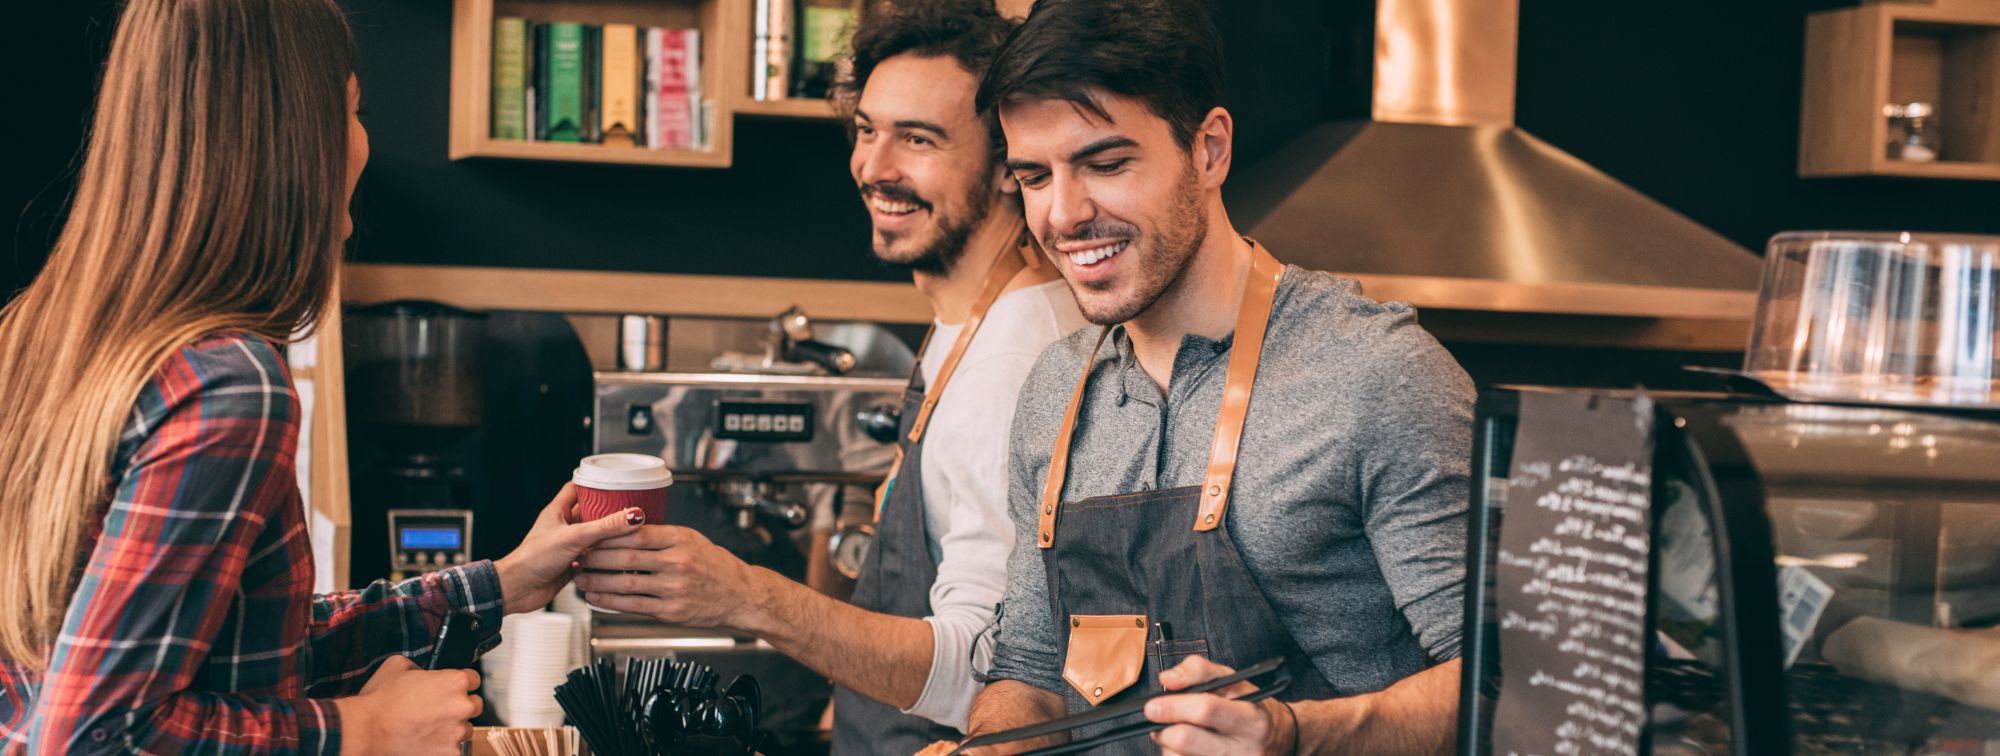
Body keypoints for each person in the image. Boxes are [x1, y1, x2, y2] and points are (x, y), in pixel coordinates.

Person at [0, 1, 639, 753]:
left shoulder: (37, 335)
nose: (363, 142)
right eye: (354, 109)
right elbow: (90, 736)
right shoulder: (228, 386)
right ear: (294, 135)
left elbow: (247, 643)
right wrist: (363, 728)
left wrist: (502, 586)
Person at [937, 0, 1477, 753]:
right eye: (1034, 176)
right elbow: (1028, 674)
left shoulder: (1377, 375)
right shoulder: (1056, 393)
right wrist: (988, 747)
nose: (1063, 214)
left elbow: (1499, 686)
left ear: (1211, 150)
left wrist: (1292, 736)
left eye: (1106, 163)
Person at [569, 2, 1085, 753]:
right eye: (868, 130)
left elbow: (995, 670)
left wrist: (744, 595)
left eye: (918, 139)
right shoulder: (971, 319)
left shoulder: (1012, 359)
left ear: (1012, 164)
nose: (874, 168)